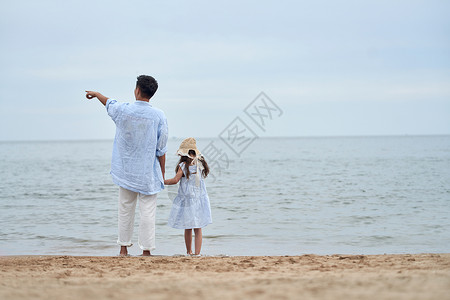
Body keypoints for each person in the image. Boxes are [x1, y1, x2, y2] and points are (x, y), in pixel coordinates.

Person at [85, 75, 168, 257]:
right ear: (151, 94)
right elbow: (161, 149)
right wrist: (162, 172)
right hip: (148, 173)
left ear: (137, 90)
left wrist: (96, 94)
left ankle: (123, 249)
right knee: (148, 212)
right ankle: (146, 251)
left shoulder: (124, 110)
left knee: (125, 208)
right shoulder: (158, 116)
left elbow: (109, 103)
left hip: (126, 170)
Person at [164, 138, 212, 256]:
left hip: (188, 200)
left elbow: (175, 180)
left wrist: (162, 181)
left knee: (188, 227)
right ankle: (197, 253)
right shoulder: (200, 164)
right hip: (199, 199)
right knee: (198, 227)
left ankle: (189, 251)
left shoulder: (183, 165)